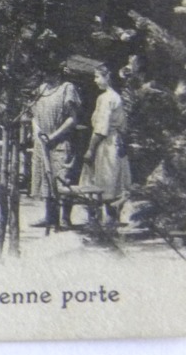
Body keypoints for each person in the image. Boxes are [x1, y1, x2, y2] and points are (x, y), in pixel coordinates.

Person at [31, 55, 84, 230]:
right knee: (45, 179)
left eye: (48, 73)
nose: (45, 76)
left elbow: (72, 119)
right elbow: (34, 115)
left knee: (63, 178)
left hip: (60, 141)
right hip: (42, 141)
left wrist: (53, 136)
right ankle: (49, 217)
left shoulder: (67, 88)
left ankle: (65, 219)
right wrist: (38, 132)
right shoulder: (41, 89)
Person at [85, 62, 132, 229]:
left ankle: (101, 225)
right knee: (112, 184)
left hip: (106, 145)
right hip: (114, 142)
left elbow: (101, 129)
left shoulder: (106, 98)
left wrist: (90, 150)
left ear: (107, 77)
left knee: (104, 184)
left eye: (97, 76)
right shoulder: (115, 97)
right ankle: (108, 223)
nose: (95, 80)